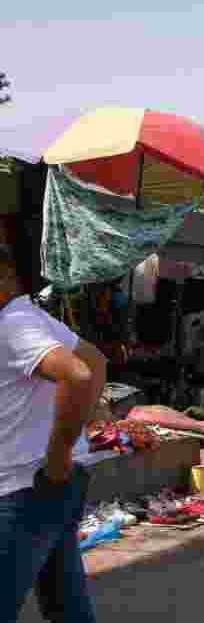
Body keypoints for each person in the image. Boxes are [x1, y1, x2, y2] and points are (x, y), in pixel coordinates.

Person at [0, 245, 107, 621]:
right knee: (66, 603)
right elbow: (94, 360)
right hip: (50, 484)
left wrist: (60, 451)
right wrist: (78, 429)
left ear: (7, 276)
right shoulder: (25, 316)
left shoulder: (15, 324)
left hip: (24, 488)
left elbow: (78, 372)